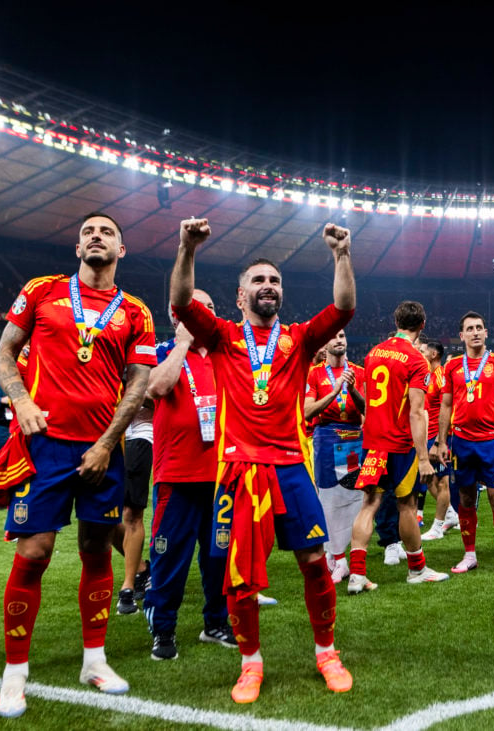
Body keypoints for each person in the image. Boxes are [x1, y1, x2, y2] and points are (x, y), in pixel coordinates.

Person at [170, 217, 355, 703]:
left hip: (292, 467)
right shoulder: (223, 337)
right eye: (259, 280)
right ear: (240, 295)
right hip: (238, 471)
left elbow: (343, 308)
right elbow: (182, 303)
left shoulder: (298, 339)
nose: (268, 286)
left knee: (315, 561)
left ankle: (327, 652)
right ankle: (250, 663)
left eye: (275, 281)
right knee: (240, 576)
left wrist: (341, 256)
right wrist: (187, 248)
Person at [0, 212, 155, 717]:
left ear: (121, 251)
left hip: (101, 449)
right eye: (88, 232)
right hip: (45, 447)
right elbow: (3, 355)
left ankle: (94, 661)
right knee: (35, 552)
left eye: (107, 232)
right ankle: (14, 673)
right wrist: (21, 401)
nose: (96, 237)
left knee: (95, 552)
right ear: (77, 246)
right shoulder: (41, 291)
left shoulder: (135, 311)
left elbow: (139, 383)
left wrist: (108, 444)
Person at [142, 290, 235, 660]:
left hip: (222, 476)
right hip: (177, 475)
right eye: (195, 307)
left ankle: (216, 623)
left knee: (219, 556)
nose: (204, 313)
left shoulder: (226, 356)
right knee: (170, 558)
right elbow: (157, 388)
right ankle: (163, 628)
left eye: (210, 307)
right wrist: (182, 343)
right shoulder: (163, 351)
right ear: (177, 314)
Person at [347, 301, 450, 593]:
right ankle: (417, 569)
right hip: (400, 445)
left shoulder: (373, 353)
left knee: (369, 504)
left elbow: (369, 401)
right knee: (407, 504)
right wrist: (422, 458)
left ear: (395, 321)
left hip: (373, 441)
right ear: (422, 326)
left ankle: (356, 574)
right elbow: (417, 411)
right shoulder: (417, 360)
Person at [431, 312, 494, 577]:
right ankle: (469, 555)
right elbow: (445, 405)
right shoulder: (451, 367)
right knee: (466, 498)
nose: (475, 332)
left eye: (479, 327)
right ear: (462, 336)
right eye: (469, 328)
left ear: (486, 332)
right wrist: (441, 442)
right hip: (461, 442)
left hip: (490, 441)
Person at [304, 329, 365, 584]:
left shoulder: (359, 372)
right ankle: (337, 558)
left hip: (353, 438)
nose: (339, 340)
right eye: (333, 336)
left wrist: (351, 390)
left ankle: (338, 555)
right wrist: (334, 391)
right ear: (325, 343)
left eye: (342, 335)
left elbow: (367, 410)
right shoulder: (315, 373)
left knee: (353, 499)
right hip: (326, 438)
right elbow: (308, 412)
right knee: (328, 499)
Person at [418, 337, 459, 540]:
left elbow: (449, 408)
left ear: (433, 355)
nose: (421, 354)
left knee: (442, 481)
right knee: (428, 479)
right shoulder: (430, 376)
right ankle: (451, 514)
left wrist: (437, 441)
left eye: (424, 351)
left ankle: (437, 526)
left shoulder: (442, 375)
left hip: (440, 437)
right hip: (430, 435)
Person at [114, 403, 152, 615]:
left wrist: (135, 395)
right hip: (101, 430)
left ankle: (128, 587)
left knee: (131, 513)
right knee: (101, 518)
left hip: (138, 432)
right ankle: (141, 570)